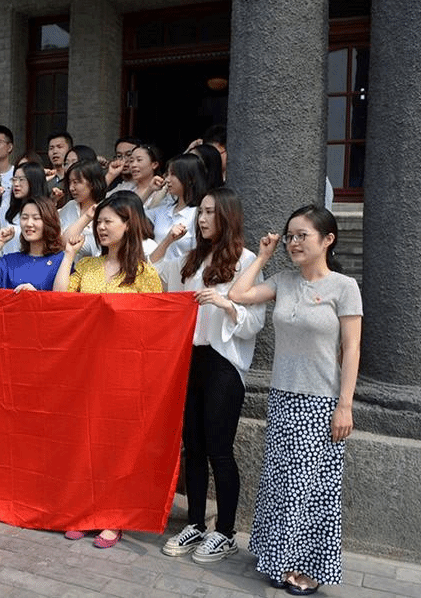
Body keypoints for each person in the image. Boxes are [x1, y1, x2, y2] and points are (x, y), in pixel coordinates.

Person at [228, 205, 362, 594]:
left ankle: (309, 567)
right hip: (283, 397)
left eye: (302, 235)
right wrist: (263, 256)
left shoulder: (344, 287)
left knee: (313, 490)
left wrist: (345, 405)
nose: (293, 242)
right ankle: (277, 556)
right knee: (281, 483)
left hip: (321, 402)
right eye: (290, 236)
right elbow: (238, 294)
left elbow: (352, 349)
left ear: (328, 239)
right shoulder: (283, 281)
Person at [153, 188, 266, 563]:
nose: (202, 219)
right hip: (190, 360)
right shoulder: (189, 259)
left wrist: (225, 303)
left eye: (210, 213)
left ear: (228, 216)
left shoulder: (245, 261)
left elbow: (254, 323)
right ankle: (196, 523)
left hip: (224, 364)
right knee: (194, 448)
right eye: (200, 212)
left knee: (219, 449)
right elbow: (152, 276)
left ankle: (226, 532)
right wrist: (167, 241)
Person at [54, 191, 162, 549]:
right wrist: (69, 256)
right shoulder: (86, 266)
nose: (100, 227)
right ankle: (84, 510)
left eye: (108, 221)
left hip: (124, 372)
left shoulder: (145, 274)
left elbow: (153, 328)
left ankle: (113, 516)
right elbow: (61, 300)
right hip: (85, 367)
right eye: (98, 222)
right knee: (84, 442)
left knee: (116, 445)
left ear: (128, 224)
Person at [0, 196, 65, 292]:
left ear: (49, 222)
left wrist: (36, 295)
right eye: (24, 218)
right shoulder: (10, 261)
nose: (29, 224)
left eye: (36, 218)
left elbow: (62, 297)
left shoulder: (61, 260)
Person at [0, 161, 48, 255]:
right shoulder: (8, 211)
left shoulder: (46, 211)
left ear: (34, 181)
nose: (16, 184)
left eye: (21, 179)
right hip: (8, 262)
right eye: (14, 179)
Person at [148, 155, 206, 262]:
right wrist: (150, 190)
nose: (167, 179)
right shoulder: (163, 210)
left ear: (191, 178)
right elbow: (131, 213)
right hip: (157, 269)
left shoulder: (199, 214)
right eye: (167, 174)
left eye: (173, 174)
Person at [58, 160, 106, 261]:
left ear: (92, 183)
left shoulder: (107, 209)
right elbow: (62, 243)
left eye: (76, 182)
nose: (71, 188)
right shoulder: (70, 206)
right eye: (70, 182)